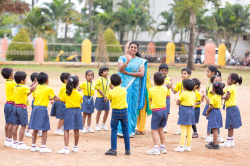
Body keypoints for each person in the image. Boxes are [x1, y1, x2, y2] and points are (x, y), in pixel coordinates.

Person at [117, 41, 152, 137]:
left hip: (135, 87)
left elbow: (141, 74)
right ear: (128, 48)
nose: (133, 49)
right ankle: (121, 130)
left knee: (132, 107)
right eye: (131, 47)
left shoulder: (140, 61)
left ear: (137, 49)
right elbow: (120, 69)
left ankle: (131, 130)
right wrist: (128, 60)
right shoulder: (122, 58)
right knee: (123, 107)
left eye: (135, 47)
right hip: (124, 87)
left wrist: (128, 73)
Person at [29, 72, 60, 153]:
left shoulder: (36, 88)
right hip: (42, 109)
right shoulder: (49, 89)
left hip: (35, 108)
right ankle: (43, 147)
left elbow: (36, 97)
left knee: (35, 128)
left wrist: (47, 99)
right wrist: (60, 99)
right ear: (47, 80)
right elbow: (55, 98)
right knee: (45, 128)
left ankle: (33, 146)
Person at [105, 74, 130, 156]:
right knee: (125, 130)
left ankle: (114, 149)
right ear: (121, 82)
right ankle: (127, 150)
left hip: (115, 112)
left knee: (114, 130)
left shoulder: (111, 92)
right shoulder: (124, 90)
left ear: (111, 83)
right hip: (124, 111)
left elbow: (110, 100)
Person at [57, 75, 83, 154]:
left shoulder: (66, 92)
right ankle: (75, 147)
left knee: (66, 129)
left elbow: (62, 100)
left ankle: (66, 148)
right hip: (78, 111)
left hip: (69, 111)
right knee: (76, 129)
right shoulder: (78, 94)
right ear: (77, 84)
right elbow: (80, 101)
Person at [12, 71, 37, 150]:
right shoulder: (23, 88)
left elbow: (28, 89)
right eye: (26, 79)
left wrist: (33, 82)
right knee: (23, 125)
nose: (26, 80)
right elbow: (32, 89)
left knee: (15, 125)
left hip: (15, 107)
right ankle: (20, 143)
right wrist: (37, 82)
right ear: (22, 80)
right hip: (22, 108)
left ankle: (15, 142)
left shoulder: (16, 86)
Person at [146, 72, 168, 155]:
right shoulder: (165, 88)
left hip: (156, 111)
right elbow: (165, 85)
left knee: (154, 131)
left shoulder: (151, 90)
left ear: (154, 82)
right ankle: (162, 147)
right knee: (161, 130)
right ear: (163, 82)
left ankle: (156, 148)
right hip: (164, 110)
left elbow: (151, 100)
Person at [202, 66, 224, 143]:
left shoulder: (217, 88)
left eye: (219, 81)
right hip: (210, 105)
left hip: (215, 106)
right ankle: (208, 135)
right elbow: (210, 93)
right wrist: (204, 96)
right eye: (216, 81)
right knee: (210, 121)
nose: (218, 83)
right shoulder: (214, 88)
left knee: (215, 122)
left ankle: (217, 135)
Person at [220, 73, 242, 147]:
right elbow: (222, 92)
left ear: (233, 81)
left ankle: (228, 142)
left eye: (228, 79)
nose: (227, 80)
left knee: (230, 126)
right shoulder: (231, 87)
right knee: (231, 126)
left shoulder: (230, 88)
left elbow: (226, 97)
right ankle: (231, 140)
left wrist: (221, 98)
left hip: (231, 109)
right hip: (233, 109)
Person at [174, 79, 195, 152]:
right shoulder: (193, 93)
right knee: (189, 129)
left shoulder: (183, 93)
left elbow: (178, 102)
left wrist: (177, 100)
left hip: (184, 110)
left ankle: (181, 146)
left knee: (183, 130)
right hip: (191, 110)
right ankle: (188, 146)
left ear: (184, 87)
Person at [170, 68, 192, 135]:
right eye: (182, 73)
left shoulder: (191, 83)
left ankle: (187, 131)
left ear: (189, 75)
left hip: (188, 103)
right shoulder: (180, 83)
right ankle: (181, 130)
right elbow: (175, 91)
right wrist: (171, 86)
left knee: (188, 116)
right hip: (181, 103)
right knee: (181, 115)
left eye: (185, 73)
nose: (183, 74)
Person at [205, 82, 223, 149]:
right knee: (215, 128)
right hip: (218, 112)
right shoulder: (219, 96)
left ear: (214, 89)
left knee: (214, 129)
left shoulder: (213, 97)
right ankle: (214, 141)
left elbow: (211, 106)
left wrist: (207, 110)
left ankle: (215, 144)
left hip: (214, 112)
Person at [95, 66, 113, 131]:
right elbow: (95, 86)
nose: (107, 72)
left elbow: (111, 87)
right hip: (100, 98)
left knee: (107, 111)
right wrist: (102, 95)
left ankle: (103, 124)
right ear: (101, 73)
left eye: (107, 71)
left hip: (107, 98)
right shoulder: (99, 80)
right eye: (105, 71)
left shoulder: (109, 79)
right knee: (99, 111)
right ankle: (97, 125)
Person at [2, 68, 16, 147]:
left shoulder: (7, 82)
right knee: (11, 123)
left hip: (7, 104)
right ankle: (10, 140)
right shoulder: (13, 83)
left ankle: (7, 139)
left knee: (7, 122)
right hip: (12, 105)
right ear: (11, 74)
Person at [25, 72, 42, 138]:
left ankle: (39, 130)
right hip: (36, 102)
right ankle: (27, 131)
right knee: (34, 117)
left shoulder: (38, 86)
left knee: (38, 117)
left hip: (38, 103)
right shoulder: (35, 87)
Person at [159, 63, 171, 133]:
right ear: (159, 71)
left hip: (167, 97)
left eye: (165, 70)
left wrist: (167, 85)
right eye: (162, 70)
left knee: (166, 112)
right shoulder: (157, 78)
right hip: (159, 97)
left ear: (167, 71)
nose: (163, 72)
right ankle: (159, 125)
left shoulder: (169, 79)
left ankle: (164, 125)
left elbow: (169, 86)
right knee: (159, 111)